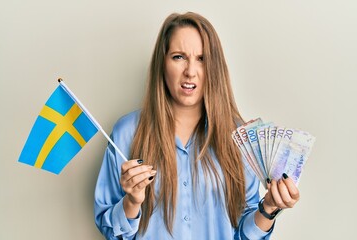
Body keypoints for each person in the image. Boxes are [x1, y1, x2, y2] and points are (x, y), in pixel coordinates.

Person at [94, 12, 300, 240]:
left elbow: (244, 234)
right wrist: (132, 202)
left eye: (201, 59)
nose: (190, 71)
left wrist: (268, 208)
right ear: (162, 63)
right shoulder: (127, 132)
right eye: (179, 57)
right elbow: (110, 230)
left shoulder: (239, 137)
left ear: (214, 68)